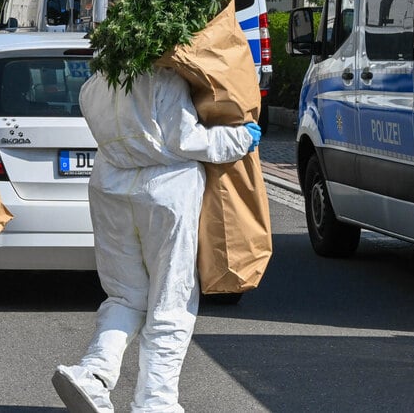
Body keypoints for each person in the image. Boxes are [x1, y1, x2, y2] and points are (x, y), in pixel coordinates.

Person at [53, 66, 261, 413]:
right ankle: (155, 401)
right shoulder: (166, 79)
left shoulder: (95, 85)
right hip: (167, 191)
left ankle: (93, 375)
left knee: (125, 296)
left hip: (110, 188)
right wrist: (240, 138)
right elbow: (187, 139)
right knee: (171, 298)